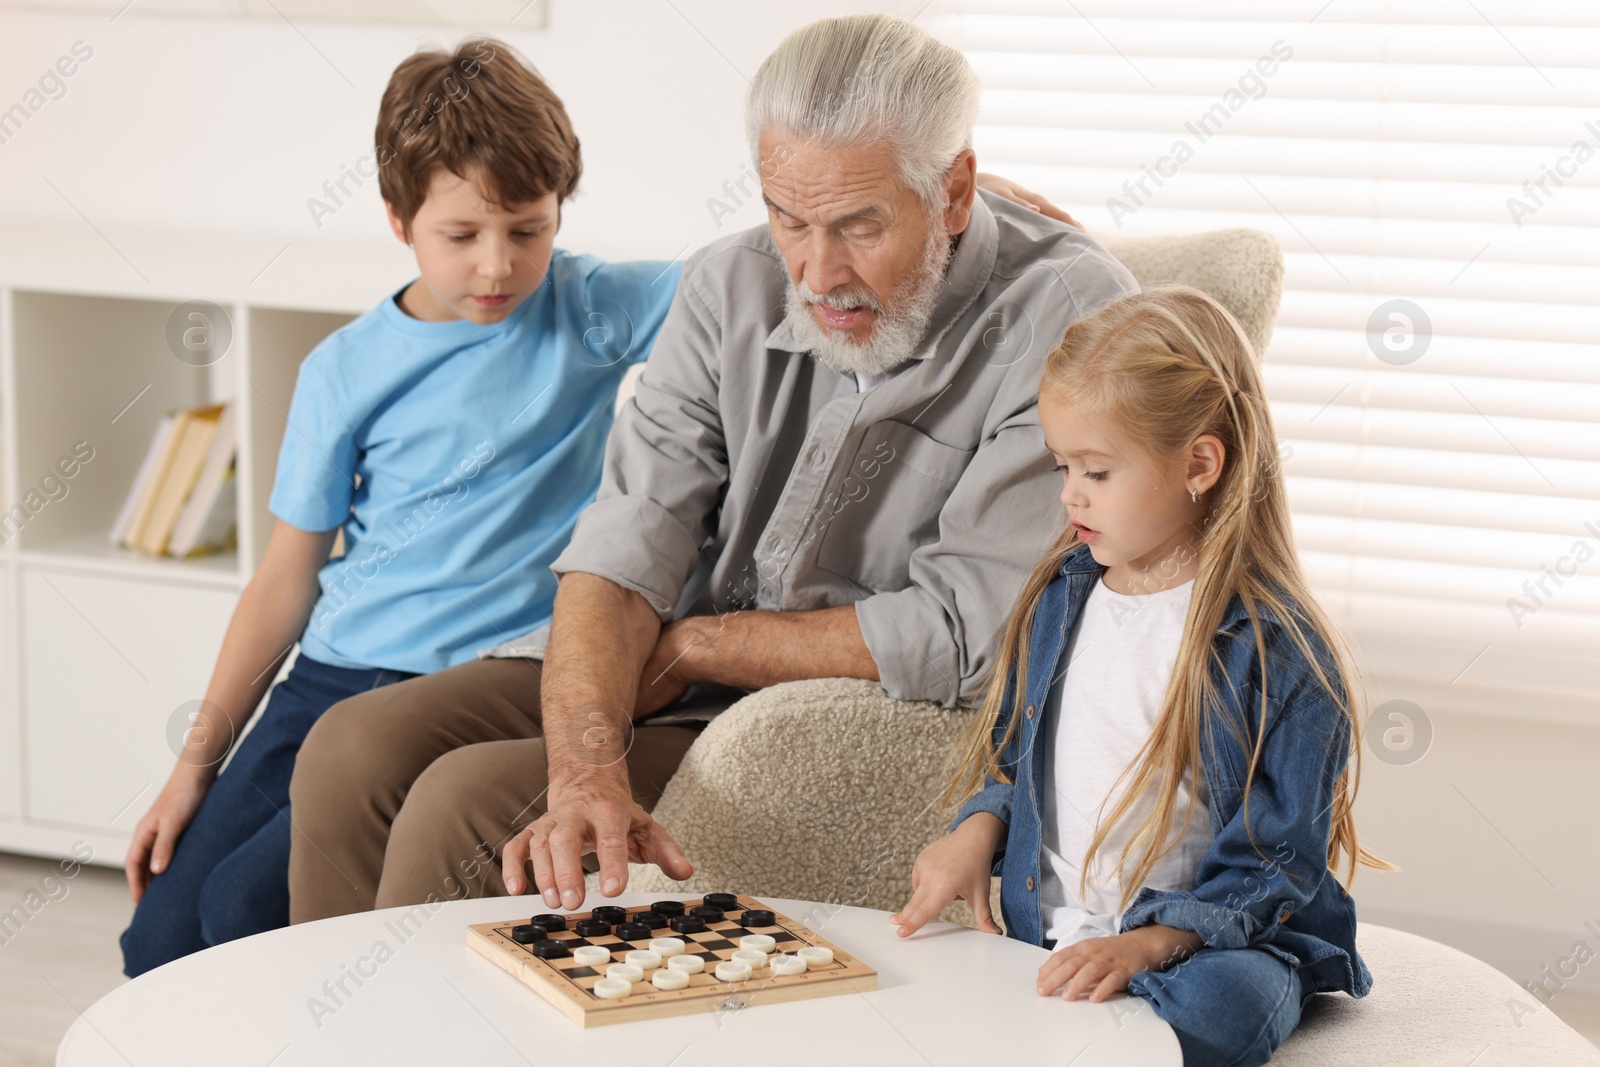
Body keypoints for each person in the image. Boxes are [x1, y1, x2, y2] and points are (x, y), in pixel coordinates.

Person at [286, 13, 1139, 923]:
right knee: (351, 747)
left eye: (860, 225)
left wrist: (699, 643)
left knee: (461, 801)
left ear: (955, 191)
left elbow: (966, 630)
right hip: (662, 657)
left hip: (821, 703)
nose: (817, 272)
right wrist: (586, 764)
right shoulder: (726, 283)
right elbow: (624, 539)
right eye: (789, 219)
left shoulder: (1067, 317)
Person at [118, 37, 682, 977]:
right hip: (328, 678)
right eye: (461, 236)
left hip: (463, 691)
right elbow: (283, 581)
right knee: (159, 940)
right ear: (397, 219)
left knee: (243, 912)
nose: (499, 265)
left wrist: (957, 205)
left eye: (529, 229)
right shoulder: (342, 370)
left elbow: (762, 268)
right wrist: (193, 769)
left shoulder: (590, 307)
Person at [891, 286, 1393, 1067]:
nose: (1068, 493)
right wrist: (975, 831)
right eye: (1063, 466)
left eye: (1095, 469)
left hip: (1213, 936)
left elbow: (1276, 858)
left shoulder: (1279, 646)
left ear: (1198, 464)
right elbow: (1018, 759)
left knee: (1227, 1005)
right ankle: (1074, 994)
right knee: (913, 983)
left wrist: (1150, 943)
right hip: (1052, 920)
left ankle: (1115, 1009)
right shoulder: (1065, 593)